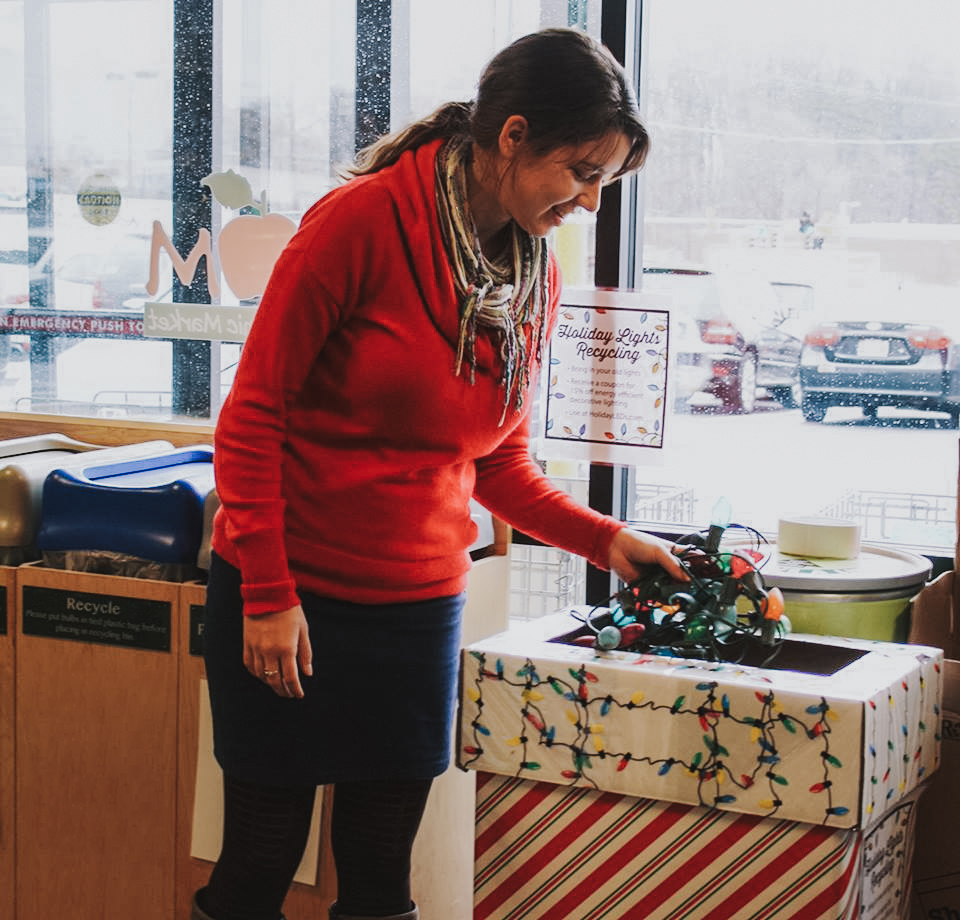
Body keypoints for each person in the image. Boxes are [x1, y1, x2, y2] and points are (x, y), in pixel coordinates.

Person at [195, 26, 687, 920]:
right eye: (580, 172)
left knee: (382, 869)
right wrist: (266, 593)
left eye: (604, 183)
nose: (589, 202)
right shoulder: (360, 223)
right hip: (289, 593)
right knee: (261, 859)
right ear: (512, 137)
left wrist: (608, 538)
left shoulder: (534, 272)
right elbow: (252, 417)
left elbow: (494, 460)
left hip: (416, 610)